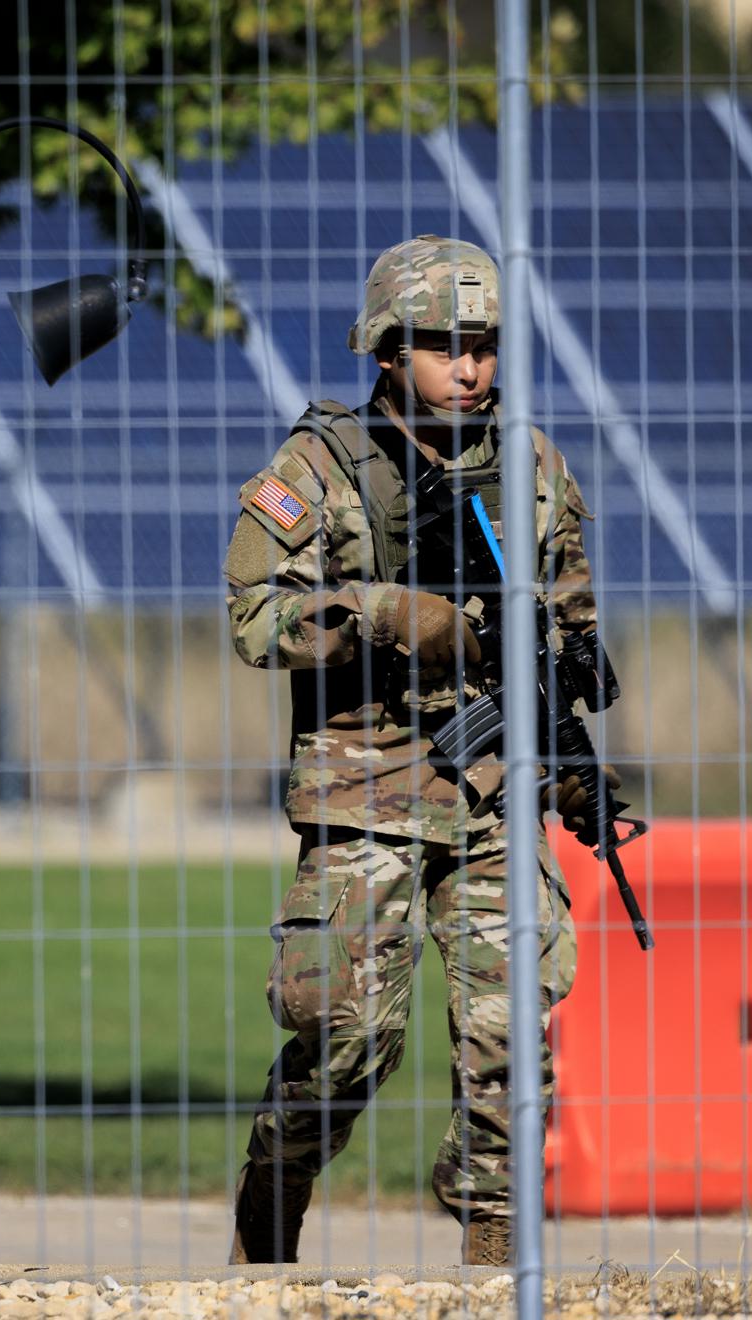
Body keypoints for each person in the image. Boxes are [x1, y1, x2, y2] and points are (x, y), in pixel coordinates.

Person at [221, 235, 618, 1267]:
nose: (472, 367)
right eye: (447, 345)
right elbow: (256, 620)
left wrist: (574, 761)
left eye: (484, 345)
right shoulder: (321, 467)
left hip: (491, 790)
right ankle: (277, 1186)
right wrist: (383, 613)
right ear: (388, 350)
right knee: (347, 1036)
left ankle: (493, 1251)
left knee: (511, 1030)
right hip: (365, 791)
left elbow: (566, 631)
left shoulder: (531, 470)